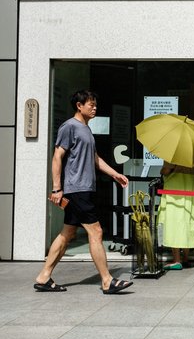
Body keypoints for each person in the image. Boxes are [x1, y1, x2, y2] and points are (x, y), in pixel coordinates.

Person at [34, 89, 133, 294]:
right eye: (91, 104)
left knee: (67, 233)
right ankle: (107, 280)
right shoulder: (69, 126)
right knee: (96, 231)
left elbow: (95, 158)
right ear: (79, 106)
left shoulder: (86, 129)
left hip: (84, 188)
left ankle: (44, 277)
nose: (94, 107)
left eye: (95, 104)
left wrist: (115, 174)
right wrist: (56, 188)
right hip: (76, 189)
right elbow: (57, 157)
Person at [158, 162, 194, 270]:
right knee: (187, 222)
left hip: (175, 193)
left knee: (174, 224)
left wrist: (162, 170)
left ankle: (177, 260)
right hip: (190, 192)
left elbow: (166, 170)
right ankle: (185, 258)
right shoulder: (193, 158)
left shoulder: (174, 156)